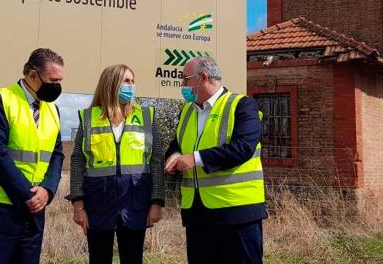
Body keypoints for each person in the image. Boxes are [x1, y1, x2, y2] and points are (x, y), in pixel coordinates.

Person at [0, 48, 66, 264]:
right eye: (52, 80)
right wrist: (27, 195)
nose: (56, 86)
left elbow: (57, 155)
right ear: (32, 75)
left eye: (60, 81)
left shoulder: (52, 110)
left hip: (33, 215)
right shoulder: (0, 100)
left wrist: (47, 190)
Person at [165, 56, 266, 264]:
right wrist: (174, 155)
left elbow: (243, 148)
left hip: (237, 213)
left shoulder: (243, 105)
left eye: (185, 80)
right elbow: (177, 144)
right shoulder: (187, 111)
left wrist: (195, 159)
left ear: (203, 77)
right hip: (197, 214)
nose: (183, 86)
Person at [67, 64, 165, 264]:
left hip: (135, 203)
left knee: (132, 259)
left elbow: (156, 161)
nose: (131, 86)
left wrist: (157, 202)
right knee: (99, 259)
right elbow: (77, 162)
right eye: (126, 81)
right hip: (98, 204)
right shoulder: (89, 118)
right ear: (111, 84)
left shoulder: (147, 116)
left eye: (132, 81)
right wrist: (78, 206)